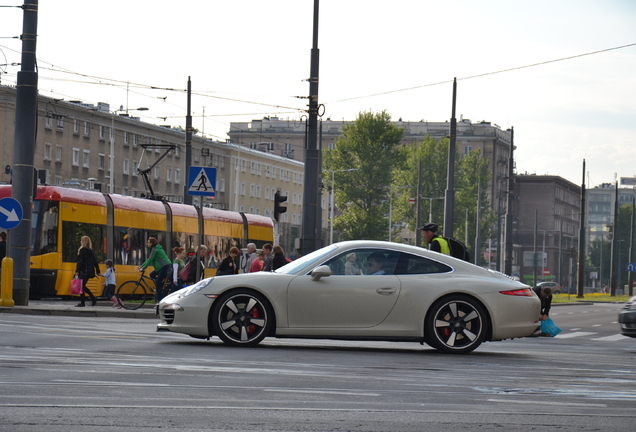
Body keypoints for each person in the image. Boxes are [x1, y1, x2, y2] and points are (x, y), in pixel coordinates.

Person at [139, 237, 172, 302]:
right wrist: (142, 265)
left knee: (157, 283)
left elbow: (150, 259)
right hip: (162, 267)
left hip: (165, 267)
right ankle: (161, 286)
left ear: (152, 243)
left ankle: (159, 300)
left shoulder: (155, 249)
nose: (147, 244)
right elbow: (149, 259)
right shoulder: (155, 248)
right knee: (152, 274)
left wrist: (143, 268)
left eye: (148, 242)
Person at [75, 235, 101, 307]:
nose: (80, 242)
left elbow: (80, 262)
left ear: (84, 242)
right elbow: (95, 262)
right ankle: (86, 301)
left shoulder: (82, 250)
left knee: (82, 287)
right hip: (89, 272)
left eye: (81, 240)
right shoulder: (90, 251)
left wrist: (77, 271)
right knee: (82, 286)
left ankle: (91, 298)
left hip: (83, 271)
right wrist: (98, 271)